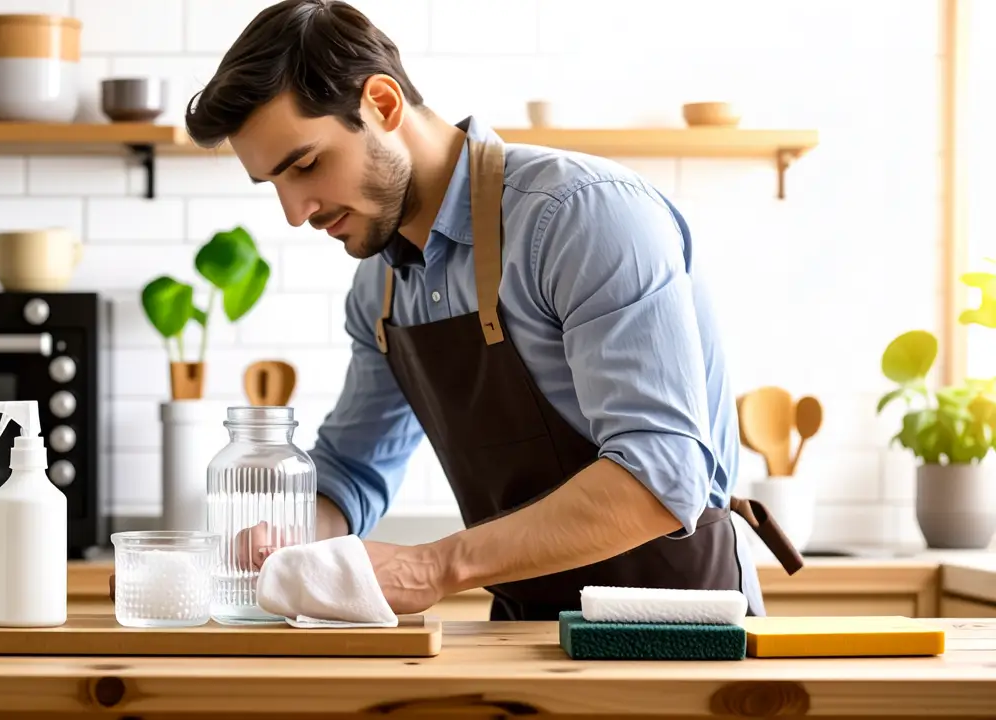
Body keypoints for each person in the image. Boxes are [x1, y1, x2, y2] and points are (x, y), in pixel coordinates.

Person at [185, 0, 802, 621]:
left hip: (679, 635)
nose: (296, 212)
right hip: (524, 637)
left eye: (307, 164)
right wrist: (289, 540)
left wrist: (431, 566)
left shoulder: (580, 216)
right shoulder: (380, 289)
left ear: (383, 104)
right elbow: (352, 470)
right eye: (274, 185)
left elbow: (660, 476)